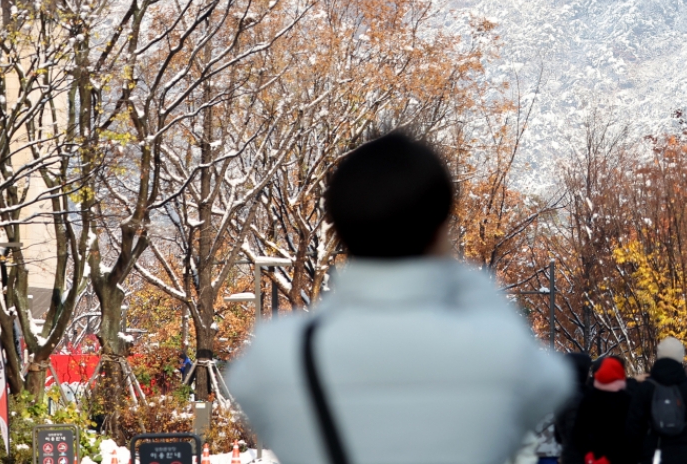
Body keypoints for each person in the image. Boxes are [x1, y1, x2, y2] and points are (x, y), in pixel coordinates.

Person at [228, 131, 572, 464]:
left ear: (338, 228)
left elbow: (245, 388)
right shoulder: (501, 349)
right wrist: (467, 278)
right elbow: (554, 382)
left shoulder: (281, 354)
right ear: (439, 228)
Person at [625, 338, 687, 464]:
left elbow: (633, 426)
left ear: (659, 356)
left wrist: (643, 452)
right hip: (684, 455)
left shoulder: (645, 388)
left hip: (652, 455)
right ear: (681, 356)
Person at [570, 356, 633, 464]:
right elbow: (630, 433)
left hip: (591, 457)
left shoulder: (588, 398)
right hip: (619, 458)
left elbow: (578, 431)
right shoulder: (627, 400)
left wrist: (588, 454)